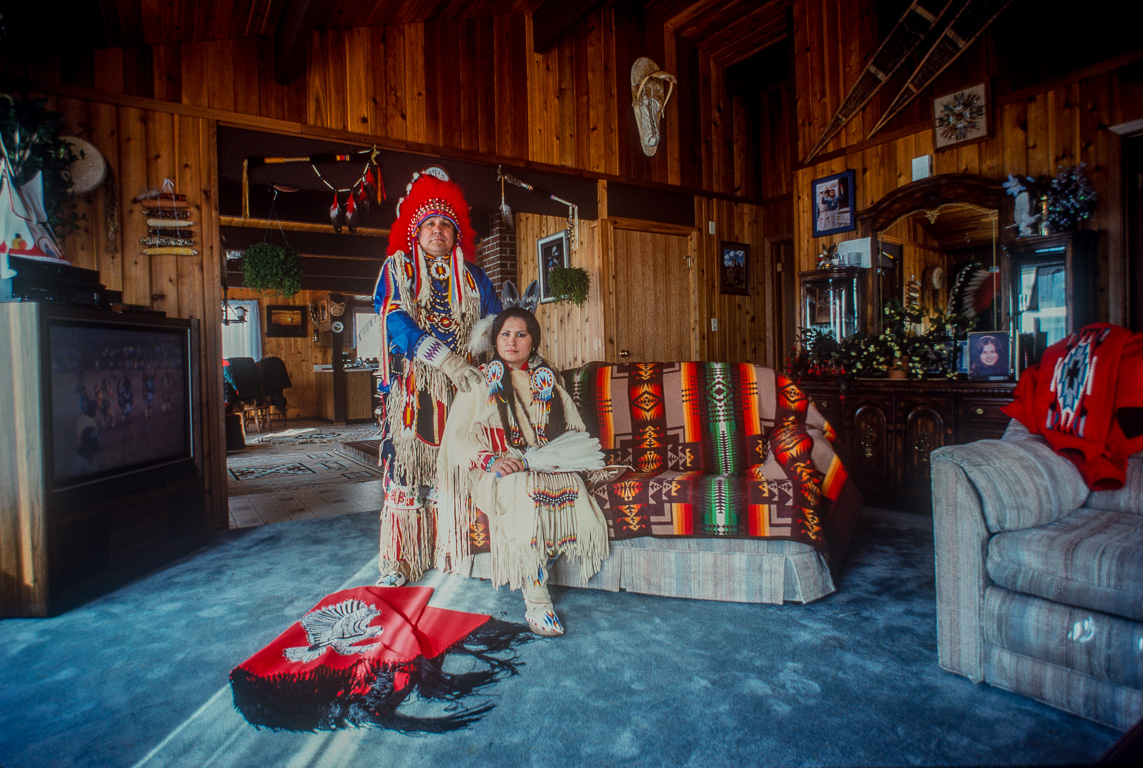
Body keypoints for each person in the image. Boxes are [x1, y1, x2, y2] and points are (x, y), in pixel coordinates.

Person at [435, 308, 610, 637]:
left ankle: (543, 562)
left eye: (521, 335)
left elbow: (575, 429)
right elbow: (456, 439)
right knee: (523, 492)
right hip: (494, 469)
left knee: (571, 486)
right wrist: (491, 461)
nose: (512, 342)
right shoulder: (479, 380)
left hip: (540, 462)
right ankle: (538, 600)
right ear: (495, 340)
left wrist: (554, 458)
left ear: (533, 341)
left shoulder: (548, 382)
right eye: (505, 334)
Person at [372, 169, 502, 587]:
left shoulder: (475, 278)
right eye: (429, 224)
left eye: (446, 224)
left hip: (466, 388)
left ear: (456, 234)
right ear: (415, 231)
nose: (438, 231)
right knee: (410, 468)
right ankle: (402, 560)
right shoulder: (398, 269)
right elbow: (393, 318)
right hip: (417, 388)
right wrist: (443, 358)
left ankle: (453, 549)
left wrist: (494, 363)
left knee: (461, 467)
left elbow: (498, 325)